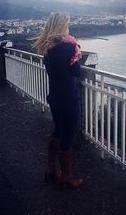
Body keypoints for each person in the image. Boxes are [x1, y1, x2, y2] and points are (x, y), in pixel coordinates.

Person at [34, 12, 83, 188]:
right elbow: (77, 72)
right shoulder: (69, 47)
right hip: (68, 98)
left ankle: (50, 167)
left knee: (58, 131)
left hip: (54, 96)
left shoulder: (47, 47)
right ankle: (66, 176)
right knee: (67, 137)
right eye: (67, 24)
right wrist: (77, 54)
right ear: (63, 26)